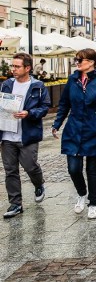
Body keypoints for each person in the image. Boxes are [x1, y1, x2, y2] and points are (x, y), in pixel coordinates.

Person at [52, 49, 96, 220]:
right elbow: (64, 103)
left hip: (94, 129)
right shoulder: (72, 80)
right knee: (73, 169)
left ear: (92, 62)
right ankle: (82, 193)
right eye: (76, 60)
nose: (78, 63)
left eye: (81, 60)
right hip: (73, 129)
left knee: (92, 169)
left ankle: (93, 203)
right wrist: (57, 124)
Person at [1, 53, 51, 218]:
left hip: (27, 134)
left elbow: (45, 107)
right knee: (10, 170)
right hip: (7, 134)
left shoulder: (38, 86)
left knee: (30, 166)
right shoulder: (6, 84)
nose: (13, 69)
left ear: (27, 68)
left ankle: (39, 183)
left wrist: (29, 113)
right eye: (12, 66)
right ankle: (15, 204)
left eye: (17, 66)